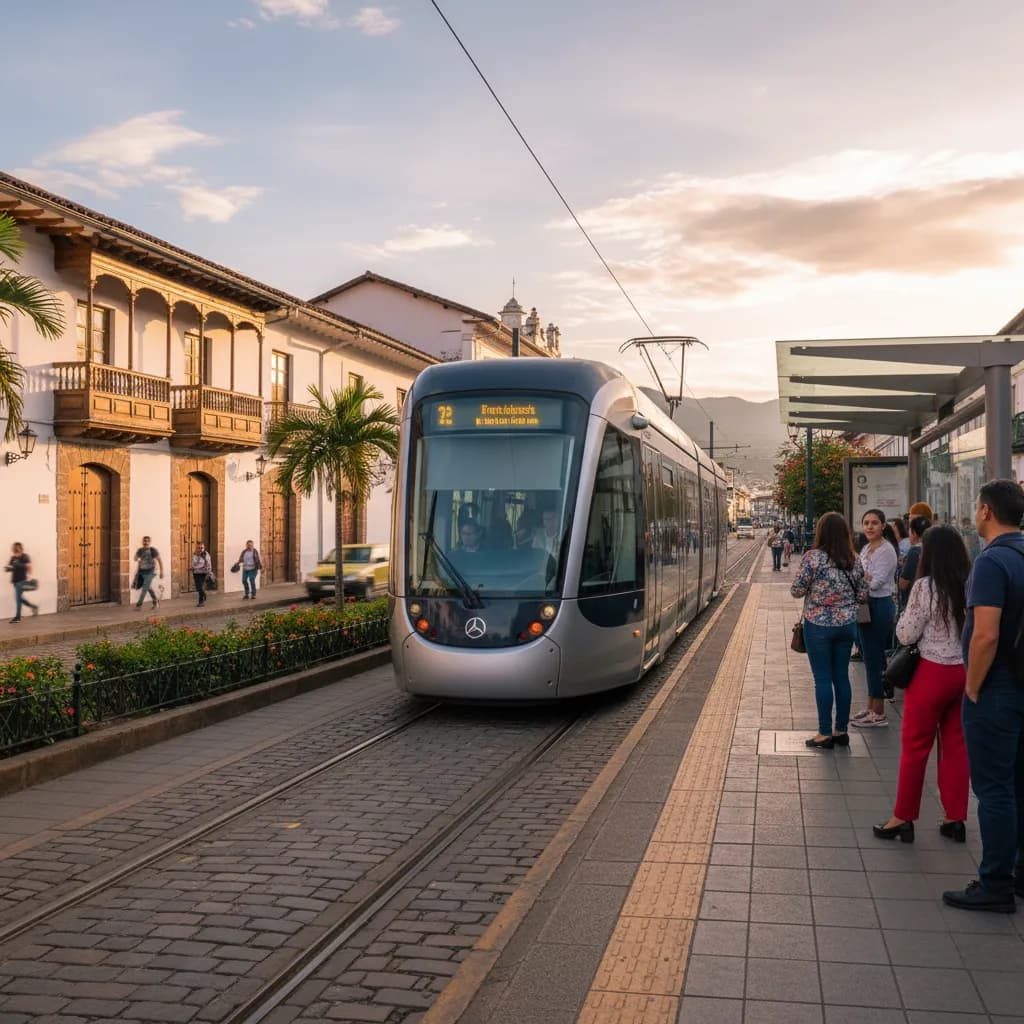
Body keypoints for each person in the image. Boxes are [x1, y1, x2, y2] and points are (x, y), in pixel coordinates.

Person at [944, 479, 1024, 913]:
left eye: (977, 508)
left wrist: (973, 686)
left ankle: (995, 882)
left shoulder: (992, 562)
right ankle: (1020, 873)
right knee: (1020, 785)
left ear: (987, 511)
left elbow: (985, 635)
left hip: (997, 690)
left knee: (993, 789)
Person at [873, 526, 970, 844]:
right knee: (956, 747)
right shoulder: (969, 583)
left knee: (916, 747)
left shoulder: (926, 587)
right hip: (963, 673)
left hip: (931, 673)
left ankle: (903, 817)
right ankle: (955, 818)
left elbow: (905, 634)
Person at [791, 512, 867, 749]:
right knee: (841, 677)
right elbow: (863, 594)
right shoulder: (854, 559)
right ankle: (841, 731)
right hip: (846, 626)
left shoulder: (813, 558)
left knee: (822, 679)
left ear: (821, 532)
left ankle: (824, 733)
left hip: (819, 626)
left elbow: (797, 590)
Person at [851, 508, 898, 728]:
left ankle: (878, 712)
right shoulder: (867, 548)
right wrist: (863, 577)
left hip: (878, 605)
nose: (869, 527)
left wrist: (863, 577)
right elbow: (859, 575)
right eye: (866, 523)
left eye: (874, 523)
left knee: (875, 658)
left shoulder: (886, 551)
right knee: (868, 657)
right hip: (865, 605)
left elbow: (875, 582)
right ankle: (871, 705)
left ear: (883, 526)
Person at [898, 516, 931, 612]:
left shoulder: (915, 551)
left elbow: (903, 584)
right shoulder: (935, 547)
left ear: (913, 533)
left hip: (915, 603)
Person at [4, 543, 37, 623]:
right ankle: (33, 606)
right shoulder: (13, 558)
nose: (15, 551)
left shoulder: (25, 556)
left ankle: (18, 617)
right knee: (19, 599)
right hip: (15, 581)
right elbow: (9, 568)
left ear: (19, 548)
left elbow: (29, 567)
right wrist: (8, 568)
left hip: (21, 581)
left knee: (18, 599)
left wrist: (28, 574)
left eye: (16, 549)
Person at [133, 536, 163, 611]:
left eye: (147, 541)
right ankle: (155, 601)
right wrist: (137, 558)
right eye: (144, 541)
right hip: (142, 571)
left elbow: (159, 560)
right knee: (148, 587)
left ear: (150, 542)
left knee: (145, 588)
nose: (146, 542)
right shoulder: (140, 550)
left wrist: (161, 571)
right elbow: (135, 558)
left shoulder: (153, 550)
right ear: (142, 542)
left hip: (151, 571)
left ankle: (138, 606)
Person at [191, 542, 213, 606]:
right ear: (196, 548)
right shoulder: (194, 554)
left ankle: (201, 601)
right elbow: (194, 564)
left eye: (202, 548)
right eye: (199, 548)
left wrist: (209, 571)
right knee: (198, 587)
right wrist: (193, 567)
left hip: (204, 573)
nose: (200, 549)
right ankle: (204, 595)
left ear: (204, 548)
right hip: (196, 573)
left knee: (201, 587)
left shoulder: (206, 555)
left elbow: (208, 564)